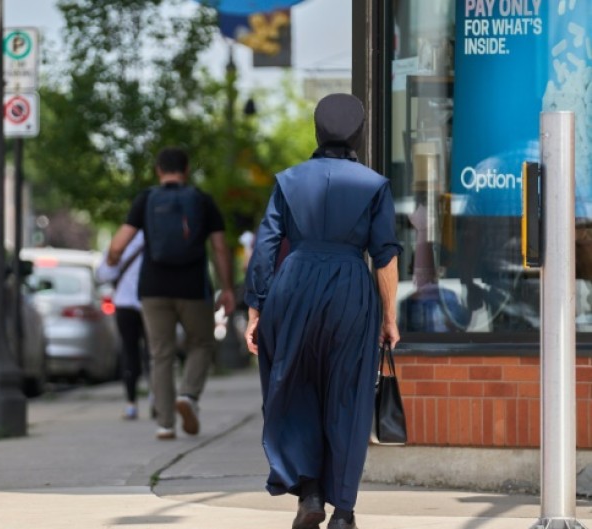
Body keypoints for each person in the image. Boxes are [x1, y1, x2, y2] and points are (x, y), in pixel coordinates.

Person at [243, 93, 402, 529]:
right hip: (350, 287)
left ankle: (309, 492)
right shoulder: (374, 184)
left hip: (293, 287)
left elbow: (266, 246)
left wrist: (255, 309)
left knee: (293, 387)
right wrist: (389, 317)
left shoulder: (288, 180)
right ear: (360, 133)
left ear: (318, 131)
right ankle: (344, 512)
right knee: (347, 397)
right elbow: (385, 256)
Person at [108, 147, 236, 440]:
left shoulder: (146, 199)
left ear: (158, 170)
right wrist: (227, 288)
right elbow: (219, 247)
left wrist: (114, 259)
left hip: (154, 288)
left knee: (160, 353)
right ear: (187, 170)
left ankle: (165, 424)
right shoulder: (202, 201)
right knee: (202, 343)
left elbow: (119, 244)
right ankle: (188, 395)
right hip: (193, 287)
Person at [96, 230, 150, 420]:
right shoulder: (155, 237)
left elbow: (103, 274)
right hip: (149, 303)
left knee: (129, 351)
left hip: (125, 304)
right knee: (155, 353)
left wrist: (113, 258)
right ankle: (156, 399)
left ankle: (131, 403)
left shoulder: (120, 240)